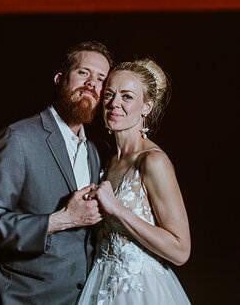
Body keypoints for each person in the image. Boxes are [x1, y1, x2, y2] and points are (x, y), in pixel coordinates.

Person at [0, 41, 113, 304]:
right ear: (60, 79)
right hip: (27, 297)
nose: (91, 84)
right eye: (83, 72)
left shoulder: (94, 150)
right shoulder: (19, 138)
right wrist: (61, 220)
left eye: (101, 79)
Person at [77, 58, 191, 304]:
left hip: (141, 290)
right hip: (100, 285)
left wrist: (118, 210)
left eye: (127, 96)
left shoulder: (153, 161)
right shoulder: (107, 160)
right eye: (109, 94)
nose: (114, 103)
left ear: (146, 107)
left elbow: (181, 251)